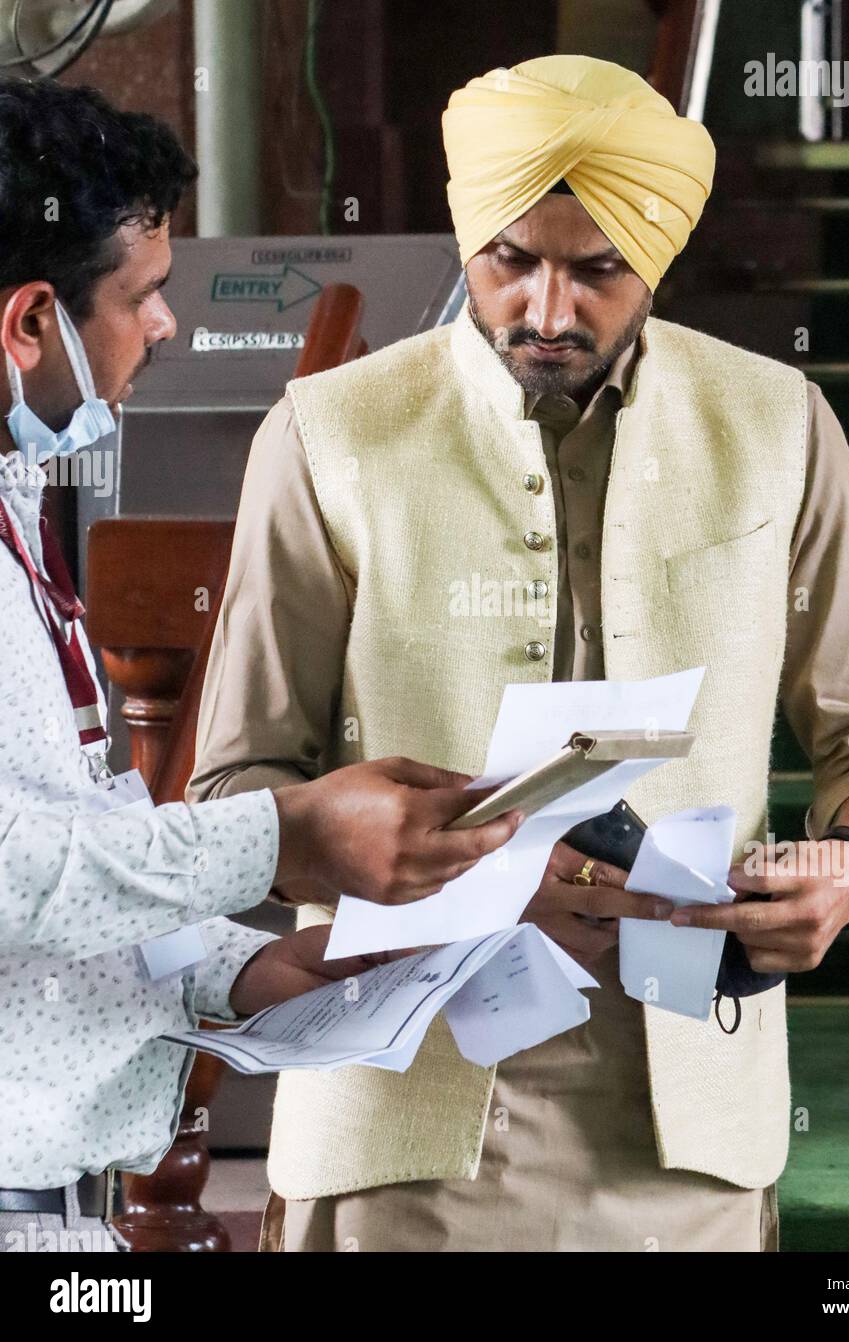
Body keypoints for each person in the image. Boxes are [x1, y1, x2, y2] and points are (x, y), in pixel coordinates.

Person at [188, 55, 849, 1253]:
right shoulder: (329, 436)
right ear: (463, 237)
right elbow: (234, 792)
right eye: (507, 260)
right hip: (396, 1122)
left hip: (690, 1127)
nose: (545, 311)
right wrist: (464, 887)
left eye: (595, 270)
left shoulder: (776, 423)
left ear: (655, 257)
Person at [0, 77, 519, 1254]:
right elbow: (10, 871)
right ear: (31, 323)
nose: (168, 328)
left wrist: (236, 968)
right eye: (145, 297)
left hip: (63, 1217)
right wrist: (284, 833)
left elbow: (80, 854)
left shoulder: (20, 508)